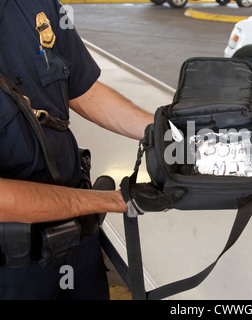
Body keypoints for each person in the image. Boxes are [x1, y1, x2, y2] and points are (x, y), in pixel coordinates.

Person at [0, 0, 183, 299]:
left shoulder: (38, 5)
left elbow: (84, 90)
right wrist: (116, 200)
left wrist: (168, 133)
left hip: (79, 248)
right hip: (12, 273)